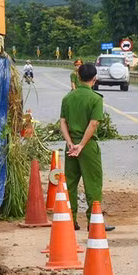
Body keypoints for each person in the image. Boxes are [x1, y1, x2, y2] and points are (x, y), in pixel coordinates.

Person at [60, 63, 115, 232]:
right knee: (93, 184)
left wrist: (70, 143)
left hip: (70, 146)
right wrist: (81, 145)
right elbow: (93, 124)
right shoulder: (95, 99)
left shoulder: (68, 98)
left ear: (78, 77)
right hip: (87, 146)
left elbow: (63, 122)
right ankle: (94, 221)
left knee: (70, 183)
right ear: (94, 78)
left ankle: (70, 220)